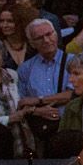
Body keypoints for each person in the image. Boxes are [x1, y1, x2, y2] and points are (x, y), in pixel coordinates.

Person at [16, 18, 75, 149]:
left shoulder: (72, 62)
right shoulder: (25, 69)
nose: (46, 40)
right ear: (32, 43)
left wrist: (39, 100)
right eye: (39, 38)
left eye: (49, 34)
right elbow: (21, 102)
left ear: (56, 34)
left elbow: (73, 94)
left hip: (69, 126)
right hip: (40, 132)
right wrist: (37, 111)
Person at [0, 4, 37, 70]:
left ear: (21, 22)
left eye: (10, 21)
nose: (4, 25)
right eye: (1, 21)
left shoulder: (33, 46)